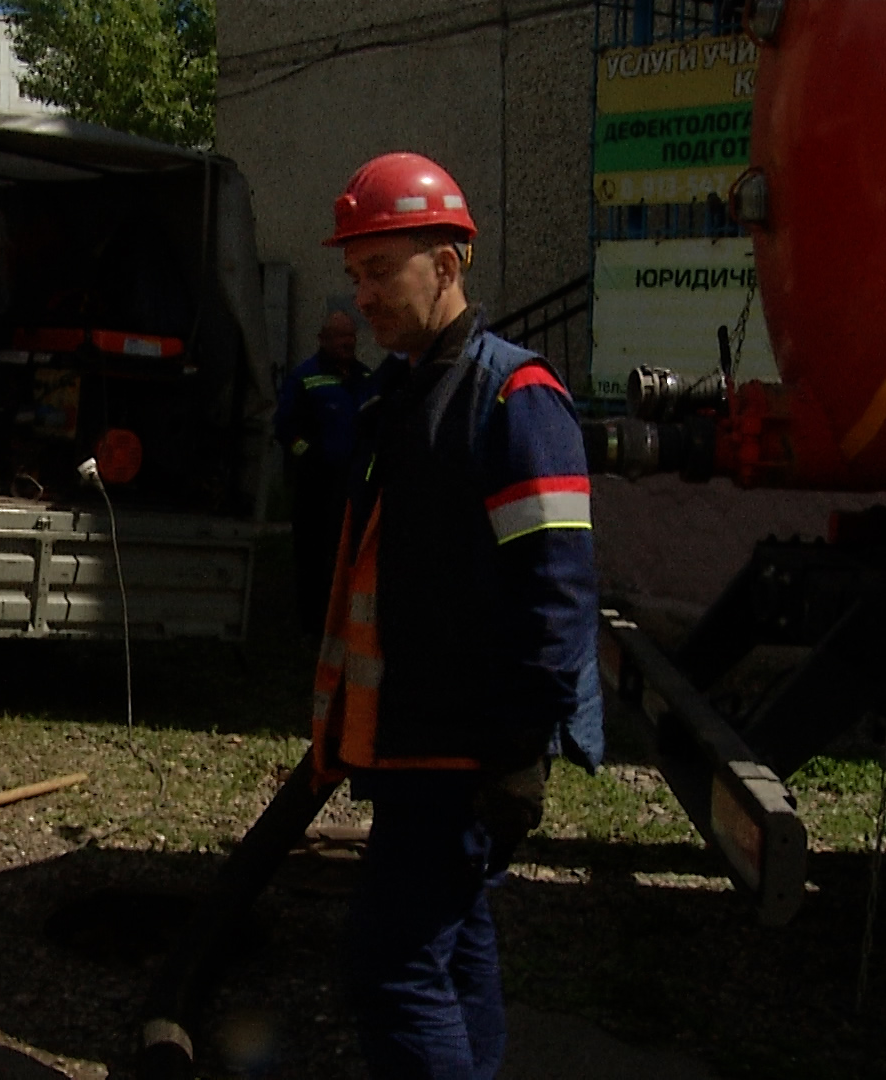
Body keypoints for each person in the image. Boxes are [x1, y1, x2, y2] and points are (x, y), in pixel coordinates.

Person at [310, 152, 602, 1078]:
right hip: (408, 740)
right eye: (355, 275)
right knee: (455, 946)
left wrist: (520, 752)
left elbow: (558, 589)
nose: (363, 296)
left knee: (393, 965)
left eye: (380, 270)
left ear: (448, 262)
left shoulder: (517, 397)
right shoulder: (404, 395)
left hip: (462, 749)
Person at [275, 311, 372, 636]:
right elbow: (285, 429)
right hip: (316, 486)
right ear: (324, 339)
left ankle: (346, 625)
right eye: (341, 337)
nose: (348, 343)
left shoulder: (365, 378)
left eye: (352, 337)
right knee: (314, 556)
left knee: (350, 556)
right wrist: (310, 456)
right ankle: (313, 628)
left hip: (354, 485)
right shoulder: (305, 378)